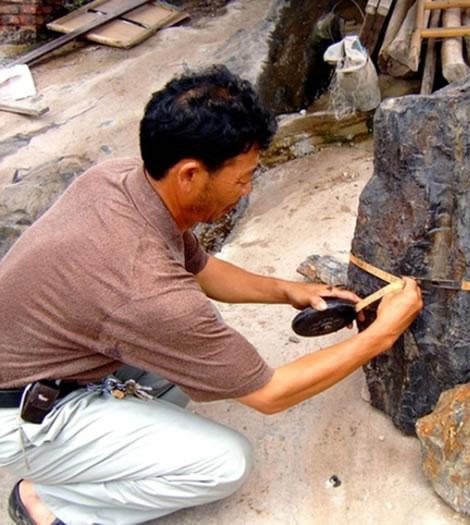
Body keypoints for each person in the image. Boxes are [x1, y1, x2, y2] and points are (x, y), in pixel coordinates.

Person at [0, 65, 423, 525]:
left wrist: (288, 290)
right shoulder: (146, 289)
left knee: (197, 353)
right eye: (242, 179)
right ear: (190, 175)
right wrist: (382, 335)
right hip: (21, 415)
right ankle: (51, 501)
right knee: (224, 463)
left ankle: (91, 441)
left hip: (39, 358)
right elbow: (271, 394)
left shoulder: (119, 180)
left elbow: (198, 266)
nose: (247, 190)